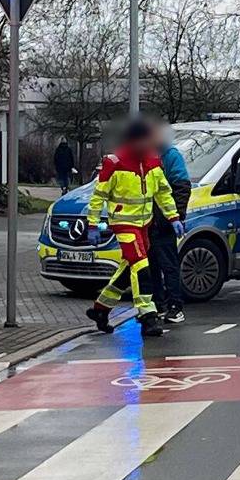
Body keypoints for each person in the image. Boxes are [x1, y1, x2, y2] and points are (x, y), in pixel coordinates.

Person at [84, 119, 183, 337]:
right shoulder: (115, 162)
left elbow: (163, 192)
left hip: (144, 226)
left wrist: (173, 217)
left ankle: (100, 310)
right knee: (141, 267)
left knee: (127, 271)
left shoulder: (153, 161)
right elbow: (98, 196)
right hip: (124, 225)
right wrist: (92, 225)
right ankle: (147, 316)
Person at [148, 122, 193, 324]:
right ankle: (158, 304)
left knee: (168, 265)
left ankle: (175, 306)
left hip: (163, 222)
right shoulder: (149, 156)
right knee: (152, 266)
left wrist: (175, 217)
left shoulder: (170, 156)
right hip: (147, 223)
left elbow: (181, 187)